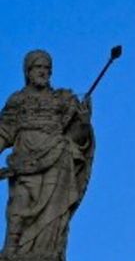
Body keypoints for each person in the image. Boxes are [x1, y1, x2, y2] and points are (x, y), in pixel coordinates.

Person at [0, 50, 95, 259]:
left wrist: (84, 122)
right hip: (24, 162)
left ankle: (46, 253)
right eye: (38, 68)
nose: (43, 72)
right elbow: (4, 131)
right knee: (18, 207)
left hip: (56, 159)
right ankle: (11, 252)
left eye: (46, 68)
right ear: (28, 71)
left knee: (51, 215)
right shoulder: (17, 100)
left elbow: (78, 137)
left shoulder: (62, 100)